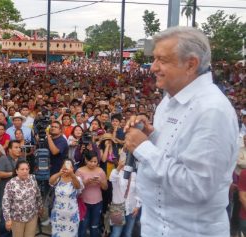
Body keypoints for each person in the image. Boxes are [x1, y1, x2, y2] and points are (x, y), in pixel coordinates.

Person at [124, 27, 239, 237]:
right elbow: (173, 155)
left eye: (162, 60)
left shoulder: (212, 110)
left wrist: (143, 148)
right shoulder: (167, 102)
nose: (153, 67)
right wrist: (152, 136)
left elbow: (198, 187)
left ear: (191, 64)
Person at [2, 160, 43, 237]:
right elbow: (6, 202)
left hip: (32, 216)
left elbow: (38, 195)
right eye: (22, 169)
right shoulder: (11, 183)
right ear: (17, 171)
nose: (25, 171)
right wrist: (7, 219)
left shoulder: (32, 179)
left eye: (27, 169)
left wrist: (40, 207)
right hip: (17, 219)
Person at [0, 140, 26, 237]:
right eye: (16, 147)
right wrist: (13, 174)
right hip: (6, 195)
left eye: (19, 147)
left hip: (20, 195)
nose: (18, 149)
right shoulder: (3, 159)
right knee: (5, 219)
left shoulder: (22, 160)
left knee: (18, 220)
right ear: (9, 150)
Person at [76, 151, 108, 237]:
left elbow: (105, 187)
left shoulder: (100, 171)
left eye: (95, 162)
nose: (93, 164)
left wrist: (100, 182)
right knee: (83, 226)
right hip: (83, 202)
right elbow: (76, 188)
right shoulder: (79, 171)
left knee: (94, 226)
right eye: (91, 161)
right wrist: (85, 182)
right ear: (86, 160)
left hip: (97, 202)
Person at [49, 159, 83, 237]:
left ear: (72, 168)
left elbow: (78, 186)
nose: (66, 167)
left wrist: (72, 175)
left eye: (69, 165)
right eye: (65, 165)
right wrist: (60, 173)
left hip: (71, 216)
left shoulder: (76, 178)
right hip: (58, 215)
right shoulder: (58, 178)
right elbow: (51, 181)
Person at [109, 157, 141, 237]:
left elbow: (139, 192)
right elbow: (111, 178)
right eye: (124, 160)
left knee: (128, 234)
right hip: (118, 209)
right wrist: (119, 167)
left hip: (132, 208)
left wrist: (137, 207)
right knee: (116, 234)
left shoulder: (134, 175)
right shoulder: (116, 172)